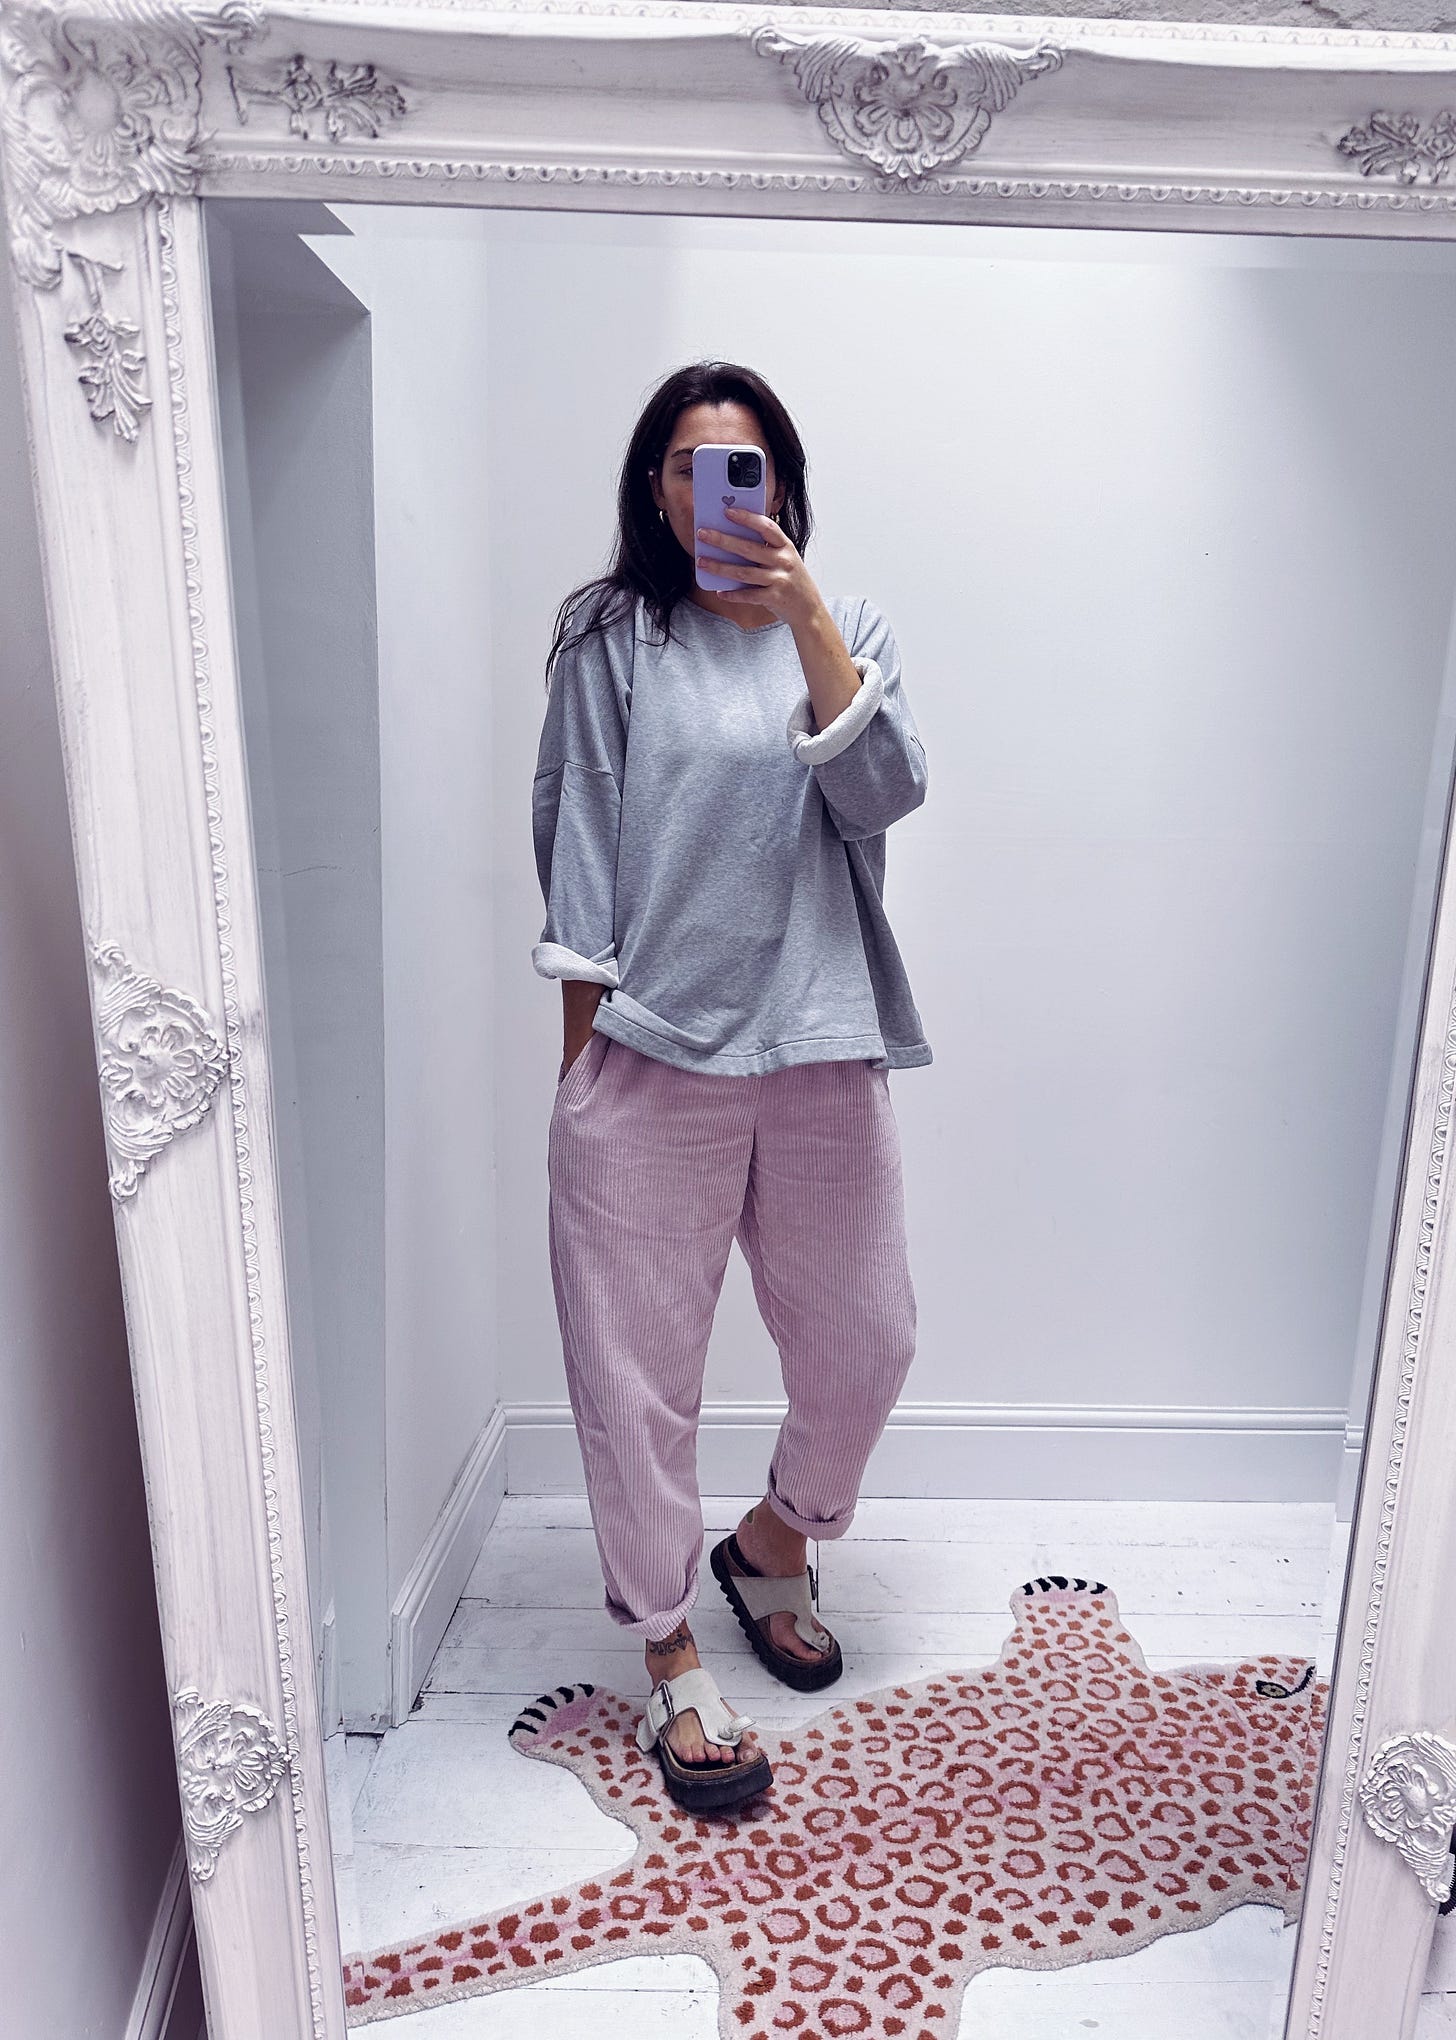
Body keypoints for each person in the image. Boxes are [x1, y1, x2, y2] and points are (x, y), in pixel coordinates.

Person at [531, 359, 931, 1813]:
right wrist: (583, 1080)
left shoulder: (848, 627)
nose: (717, 491)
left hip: (818, 1037)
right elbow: (578, 849)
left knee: (869, 1336)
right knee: (638, 1377)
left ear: (782, 484)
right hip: (653, 1053)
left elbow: (882, 794)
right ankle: (668, 1650)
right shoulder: (613, 643)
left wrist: (805, 612)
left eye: (744, 465)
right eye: (690, 466)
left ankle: (773, 1540)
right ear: (656, 488)